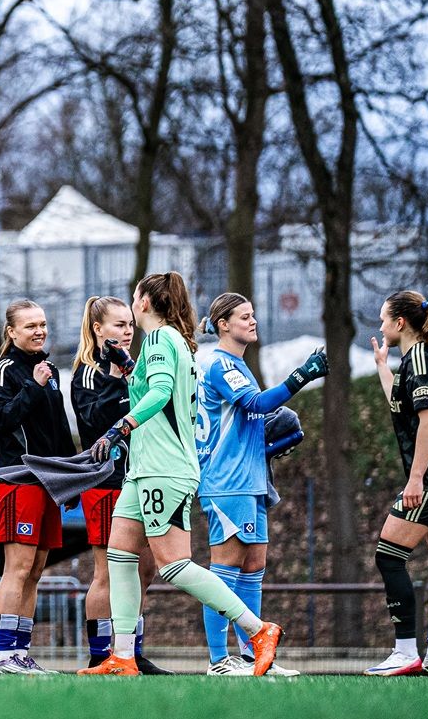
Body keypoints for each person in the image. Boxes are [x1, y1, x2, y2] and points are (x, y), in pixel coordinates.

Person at [80, 272, 282, 677]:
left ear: (144, 304)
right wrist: (125, 364)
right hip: (143, 470)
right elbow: (156, 386)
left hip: (163, 468)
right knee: (120, 556)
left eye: (135, 297)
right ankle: (121, 656)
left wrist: (121, 427)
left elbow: (157, 395)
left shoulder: (158, 338)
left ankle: (258, 630)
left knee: (173, 565)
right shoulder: (171, 341)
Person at [197, 293, 327, 676]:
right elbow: (256, 403)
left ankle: (256, 658)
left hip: (250, 479)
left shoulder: (237, 363)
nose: (253, 321)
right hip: (227, 480)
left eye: (253, 315)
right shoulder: (221, 364)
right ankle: (219, 660)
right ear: (223, 324)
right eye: (244, 316)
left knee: (253, 566)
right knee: (224, 569)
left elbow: (249, 418)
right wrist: (303, 374)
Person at [70, 296, 165, 674]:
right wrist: (115, 377)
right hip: (105, 482)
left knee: (144, 569)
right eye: (117, 325)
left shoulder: (135, 366)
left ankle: (131, 651)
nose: (127, 332)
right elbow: (95, 422)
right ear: (98, 329)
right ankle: (99, 654)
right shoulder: (89, 372)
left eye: (129, 324)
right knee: (107, 571)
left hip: (138, 476)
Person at [0, 299, 75, 674]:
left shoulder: (49, 369)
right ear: (12, 332)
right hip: (17, 479)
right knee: (18, 567)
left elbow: (56, 429)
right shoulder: (5, 370)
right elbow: (1, 419)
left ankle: (21, 652)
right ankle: (4, 655)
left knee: (37, 567)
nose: (39, 331)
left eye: (42, 324)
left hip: (47, 482)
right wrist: (34, 387)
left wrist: (70, 478)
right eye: (30, 326)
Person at [365, 290, 428, 677]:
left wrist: (416, 479)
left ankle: (404, 652)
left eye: (384, 319)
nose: (380, 326)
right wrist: (383, 367)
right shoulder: (418, 360)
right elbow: (402, 409)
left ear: (400, 323)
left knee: (388, 555)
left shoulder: (419, 359)